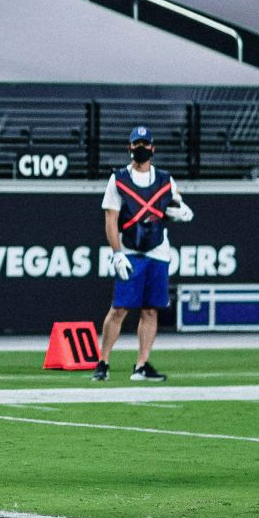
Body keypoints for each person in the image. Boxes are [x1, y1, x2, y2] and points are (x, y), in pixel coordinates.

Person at [92, 126, 193, 382]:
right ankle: (103, 362)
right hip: (130, 250)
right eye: (136, 144)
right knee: (120, 309)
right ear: (129, 148)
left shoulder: (165, 180)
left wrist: (180, 212)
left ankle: (141, 364)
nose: (141, 149)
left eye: (144, 144)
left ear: (152, 148)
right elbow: (110, 219)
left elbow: (176, 203)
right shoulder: (118, 179)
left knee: (150, 310)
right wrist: (116, 254)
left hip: (157, 250)